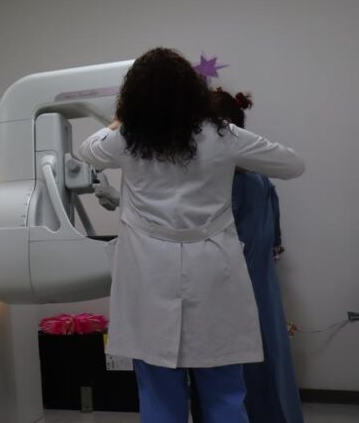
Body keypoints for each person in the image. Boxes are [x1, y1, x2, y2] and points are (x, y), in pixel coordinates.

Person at [78, 48, 304, 423]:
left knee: (159, 394)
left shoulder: (127, 138)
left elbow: (88, 150)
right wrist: (231, 147)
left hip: (148, 275)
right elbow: (293, 164)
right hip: (212, 273)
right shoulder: (222, 135)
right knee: (224, 392)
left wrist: (118, 122)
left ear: (135, 96)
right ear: (193, 92)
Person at [188, 88, 303, 423]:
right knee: (269, 366)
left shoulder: (220, 186)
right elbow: (274, 244)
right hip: (262, 294)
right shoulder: (261, 181)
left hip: (224, 296)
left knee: (223, 376)